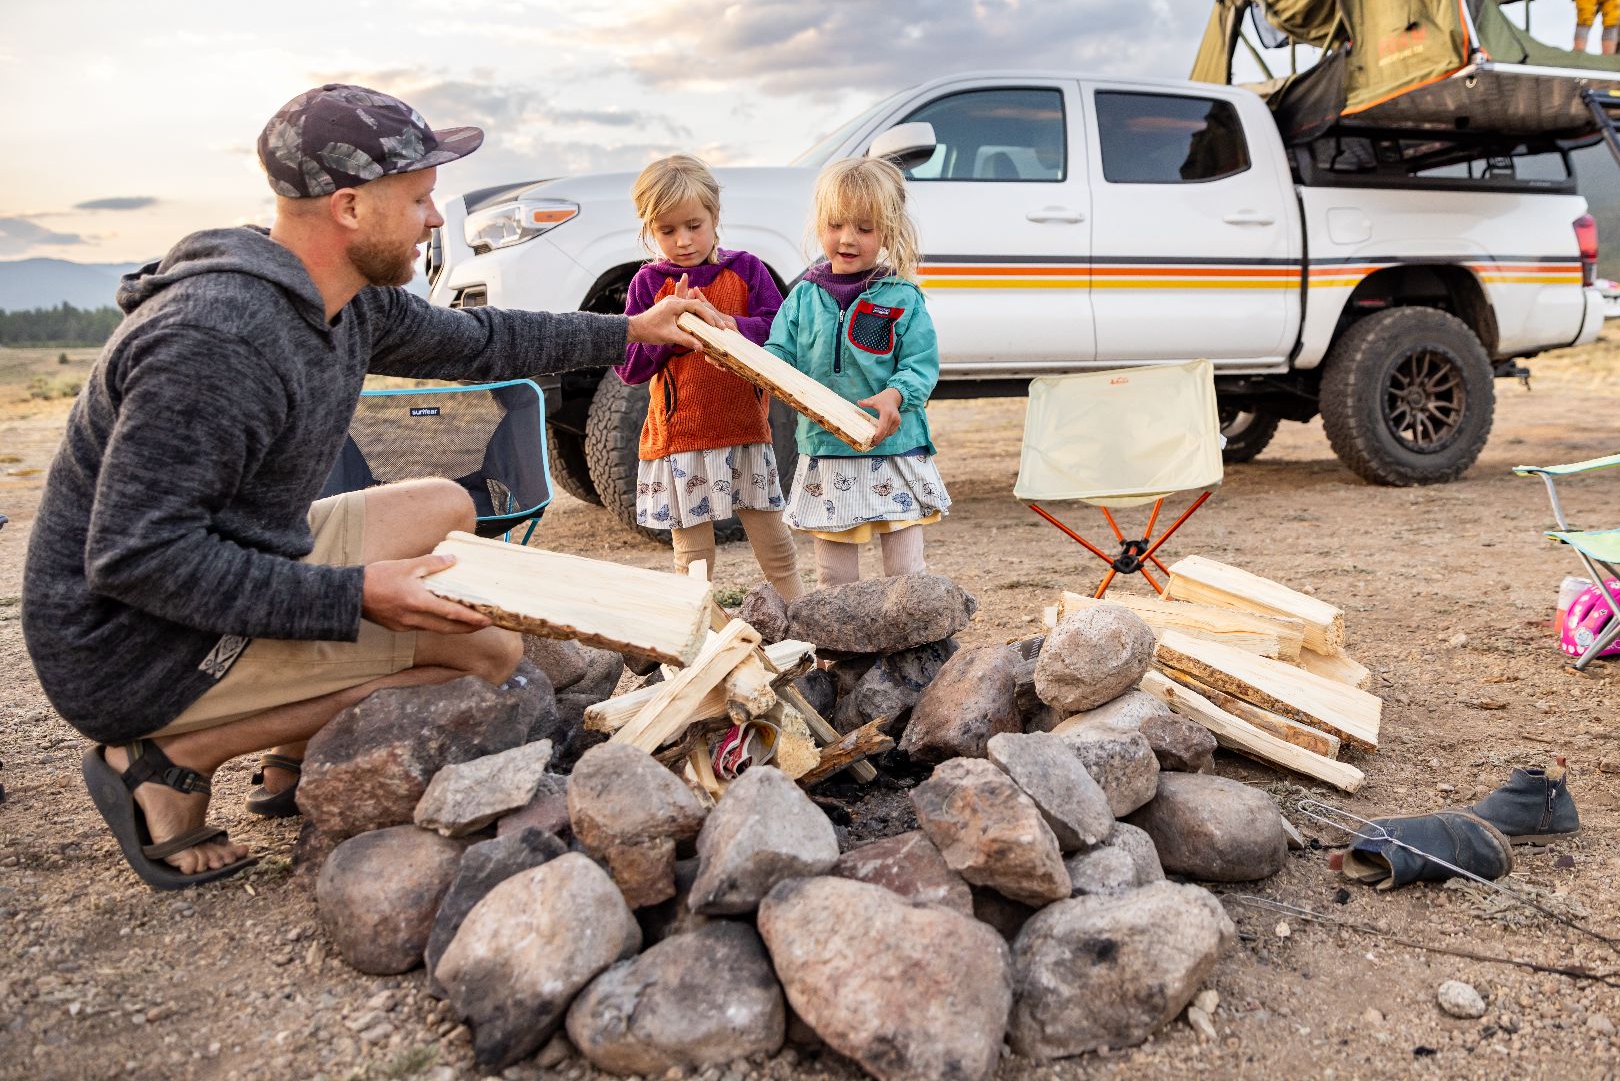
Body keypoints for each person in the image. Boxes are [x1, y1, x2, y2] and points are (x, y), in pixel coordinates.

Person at [22, 84, 735, 888]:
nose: (434, 220)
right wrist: (357, 595)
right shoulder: (215, 341)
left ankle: (292, 747)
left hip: (237, 561)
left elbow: (481, 340)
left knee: (445, 505)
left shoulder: (342, 299)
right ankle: (167, 760)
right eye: (421, 199)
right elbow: (137, 558)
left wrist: (632, 329)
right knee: (487, 654)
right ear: (351, 207)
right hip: (134, 645)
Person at [618, 155, 802, 602]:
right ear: (649, 229)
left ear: (715, 215)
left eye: (694, 225)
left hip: (744, 429)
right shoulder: (648, 285)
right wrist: (668, 330)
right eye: (667, 230)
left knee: (774, 541)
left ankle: (804, 616)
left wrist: (733, 326)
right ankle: (695, 630)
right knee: (693, 557)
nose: (683, 241)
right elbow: (629, 368)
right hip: (681, 437)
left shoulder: (747, 270)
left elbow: (783, 332)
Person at [765, 157, 947, 584]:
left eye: (864, 229)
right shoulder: (802, 297)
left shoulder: (903, 297)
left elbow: (920, 365)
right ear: (820, 224)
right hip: (827, 449)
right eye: (835, 225)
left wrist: (896, 395)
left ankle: (912, 629)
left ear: (889, 232)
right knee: (834, 577)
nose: (847, 239)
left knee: (905, 573)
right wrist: (755, 362)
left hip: (894, 448)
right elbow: (778, 352)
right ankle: (839, 633)